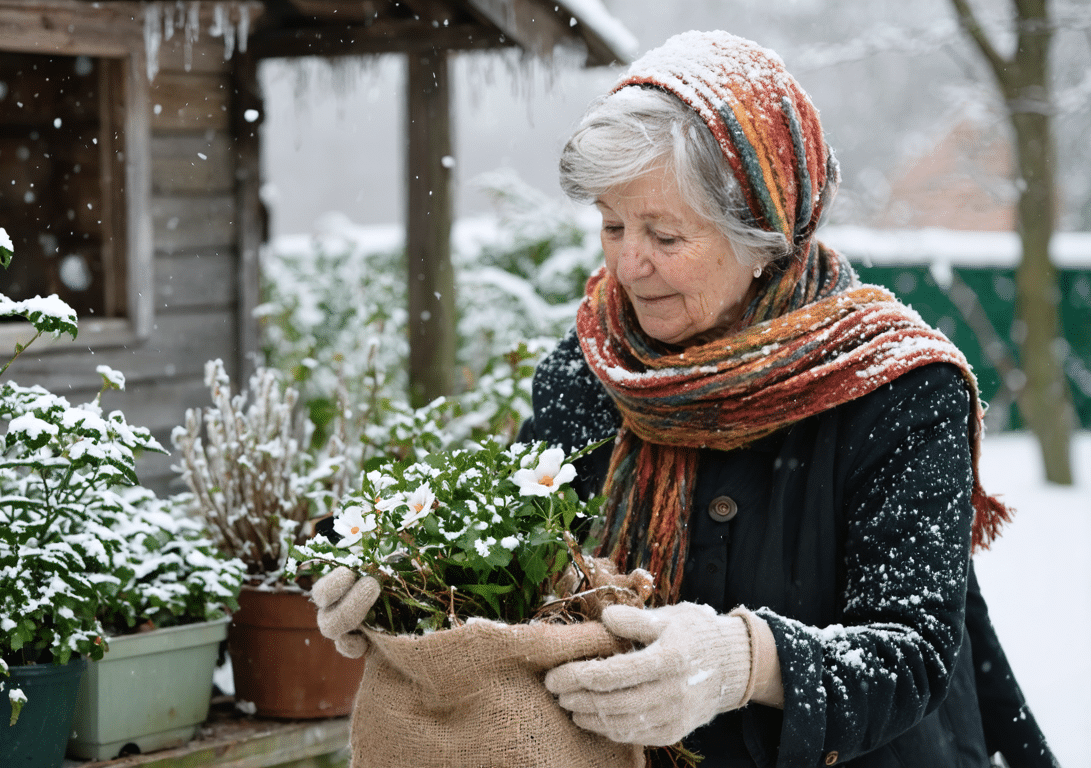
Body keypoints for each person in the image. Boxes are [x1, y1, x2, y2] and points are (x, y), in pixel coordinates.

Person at [314, 30, 1059, 768]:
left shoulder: (894, 388)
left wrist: (745, 662)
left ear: (762, 236)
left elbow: (911, 652)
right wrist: (406, 573)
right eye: (612, 225)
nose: (628, 264)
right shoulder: (595, 367)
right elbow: (522, 555)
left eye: (665, 236)